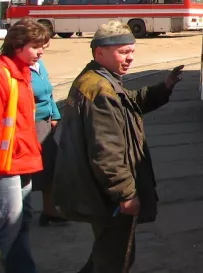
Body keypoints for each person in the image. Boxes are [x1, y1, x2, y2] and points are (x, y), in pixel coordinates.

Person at [53, 20, 182, 273]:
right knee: (116, 259)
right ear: (100, 52)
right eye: (123, 52)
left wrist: (163, 88)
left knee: (106, 251)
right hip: (106, 195)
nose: (130, 58)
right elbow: (106, 152)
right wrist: (125, 194)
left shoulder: (97, 79)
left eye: (132, 51)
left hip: (97, 190)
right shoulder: (100, 90)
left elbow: (127, 104)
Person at [0, 18, 48, 273]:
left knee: (21, 221)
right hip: (6, 165)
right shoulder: (4, 74)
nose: (41, 51)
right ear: (18, 45)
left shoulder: (23, 72)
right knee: (9, 222)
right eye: (36, 45)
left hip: (21, 159)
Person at [29, 55, 67, 227]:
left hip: (45, 122)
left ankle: (49, 209)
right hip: (28, 124)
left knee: (50, 167)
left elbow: (48, 91)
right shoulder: (14, 67)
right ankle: (18, 215)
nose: (41, 51)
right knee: (27, 172)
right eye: (37, 46)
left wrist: (55, 114)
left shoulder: (39, 63)